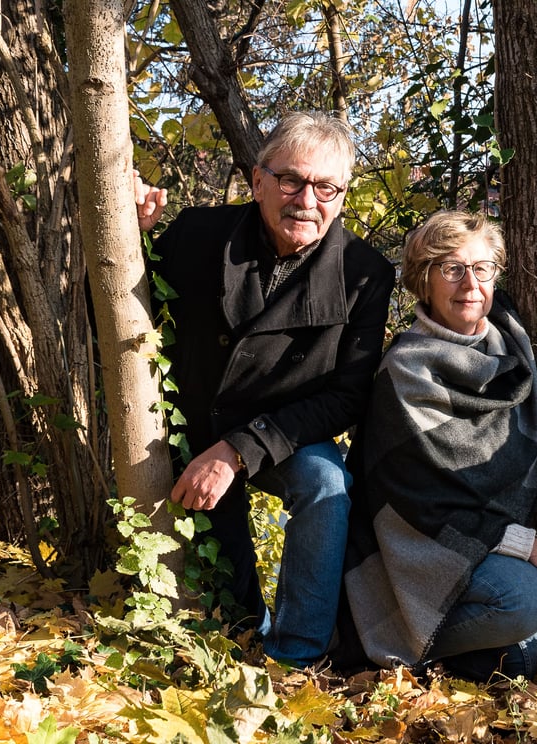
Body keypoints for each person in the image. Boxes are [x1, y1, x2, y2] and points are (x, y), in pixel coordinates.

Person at [135, 111, 395, 668]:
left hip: (287, 434)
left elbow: (347, 398)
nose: (307, 199)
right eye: (291, 180)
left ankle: (296, 658)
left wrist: (238, 451)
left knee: (328, 484)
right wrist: (131, 239)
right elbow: (115, 320)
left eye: (326, 186)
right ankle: (244, 638)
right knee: (227, 593)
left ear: (343, 196)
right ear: (258, 182)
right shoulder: (198, 234)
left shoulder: (366, 272)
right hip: (193, 422)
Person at [339, 210, 537, 681]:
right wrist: (527, 546)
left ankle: (459, 657)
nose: (470, 283)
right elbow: (422, 505)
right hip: (413, 553)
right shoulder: (406, 370)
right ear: (425, 281)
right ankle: (391, 645)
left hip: (481, 552)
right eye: (452, 269)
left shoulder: (511, 351)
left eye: (482, 267)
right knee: (522, 603)